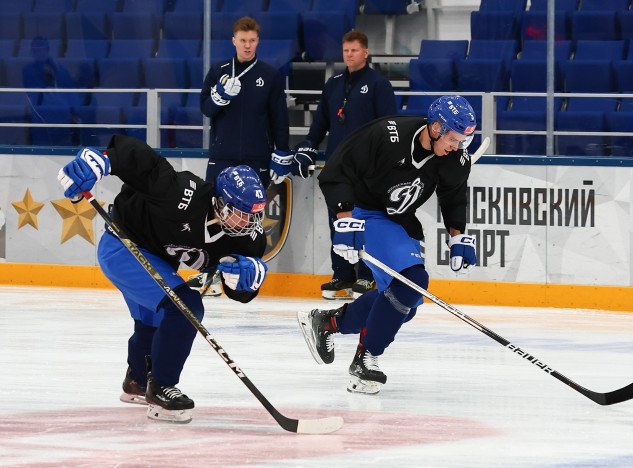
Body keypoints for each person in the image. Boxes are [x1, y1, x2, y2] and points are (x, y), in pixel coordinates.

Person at [57, 135, 268, 423]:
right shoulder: (184, 193)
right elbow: (144, 162)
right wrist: (103, 160)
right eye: (239, 214)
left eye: (253, 217)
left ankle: (138, 381)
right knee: (184, 306)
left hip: (157, 258)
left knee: (157, 320)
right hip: (122, 246)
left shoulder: (248, 239)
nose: (246, 225)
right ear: (219, 202)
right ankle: (162, 387)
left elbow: (242, 292)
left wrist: (247, 282)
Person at [297, 96, 478, 395]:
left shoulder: (455, 159)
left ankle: (329, 322)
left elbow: (453, 196)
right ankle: (365, 359)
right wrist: (344, 221)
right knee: (413, 282)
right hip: (361, 211)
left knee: (403, 304)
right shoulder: (387, 134)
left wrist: (458, 235)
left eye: (462, 141)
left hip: (397, 219)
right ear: (435, 127)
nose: (456, 147)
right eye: (452, 139)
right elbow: (337, 171)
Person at [191, 16, 296, 297]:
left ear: (257, 41)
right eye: (243, 40)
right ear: (234, 40)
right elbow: (206, 109)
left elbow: (279, 119)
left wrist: (282, 151)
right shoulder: (218, 71)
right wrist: (219, 96)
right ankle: (209, 272)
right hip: (222, 156)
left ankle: (245, 271)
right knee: (212, 215)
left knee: (250, 220)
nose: (247, 45)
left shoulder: (270, 75)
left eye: (252, 40)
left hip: (256, 157)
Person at [292, 30, 397, 300]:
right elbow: (320, 124)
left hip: (366, 168)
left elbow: (388, 126)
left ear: (365, 52)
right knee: (338, 221)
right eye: (345, 50)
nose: (349, 54)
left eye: (354, 50)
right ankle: (343, 274)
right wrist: (308, 147)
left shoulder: (378, 84)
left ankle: (366, 275)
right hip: (336, 168)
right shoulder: (334, 84)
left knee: (362, 221)